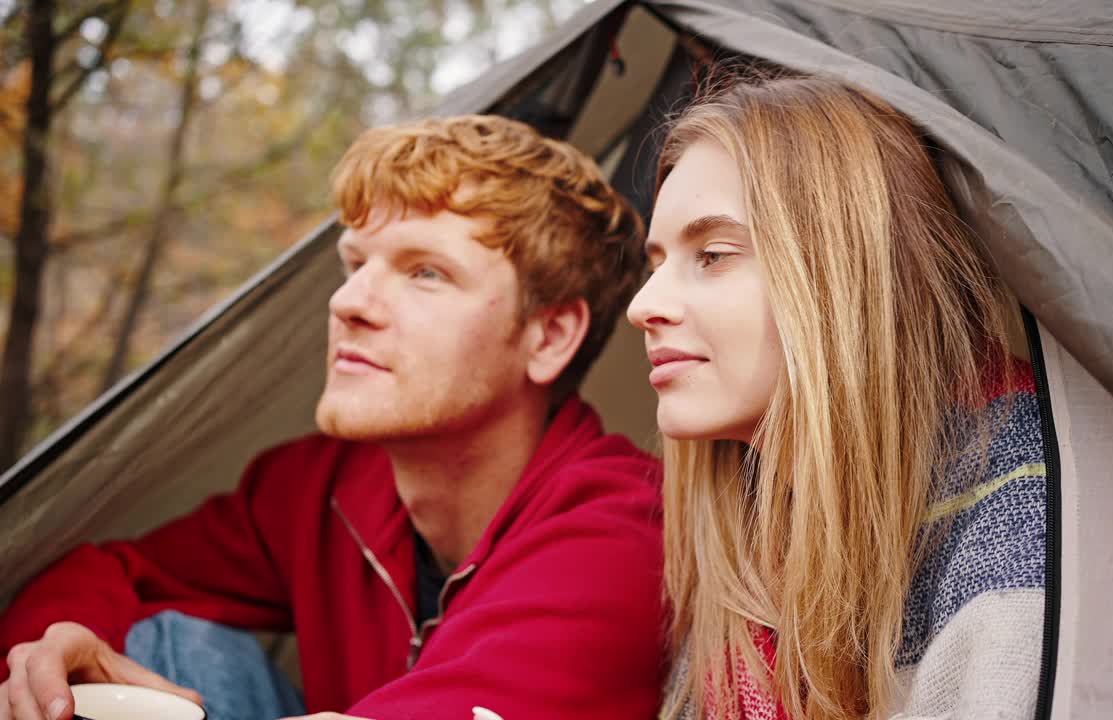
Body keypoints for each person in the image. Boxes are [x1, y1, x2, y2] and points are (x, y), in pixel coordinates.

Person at [0, 115, 665, 720]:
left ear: (548, 337)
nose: (349, 302)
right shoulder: (318, 486)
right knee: (156, 640)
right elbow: (117, 572)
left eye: (426, 273)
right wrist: (47, 651)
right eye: (354, 264)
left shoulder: (629, 528)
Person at [628, 75, 1047, 720]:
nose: (643, 305)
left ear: (838, 269)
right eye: (655, 265)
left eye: (711, 255)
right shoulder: (753, 532)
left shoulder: (1013, 502)